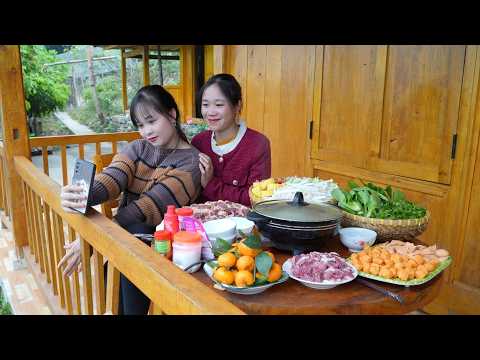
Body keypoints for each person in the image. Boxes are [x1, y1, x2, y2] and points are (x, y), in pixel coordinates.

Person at [58, 85, 201, 314]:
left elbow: (146, 209)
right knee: (113, 289)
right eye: (140, 125)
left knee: (131, 246)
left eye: (151, 121)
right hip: (123, 240)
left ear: (172, 114)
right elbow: (113, 177)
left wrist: (91, 239)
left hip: (160, 252)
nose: (146, 131)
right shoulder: (138, 148)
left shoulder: (192, 163)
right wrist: (81, 193)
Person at [191, 73, 271, 207]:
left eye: (219, 104)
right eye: (205, 104)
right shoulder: (199, 142)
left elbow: (255, 198)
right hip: (201, 225)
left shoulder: (258, 144)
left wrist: (211, 184)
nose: (210, 112)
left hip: (241, 225)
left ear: (237, 106)